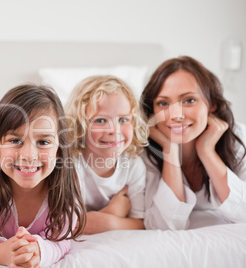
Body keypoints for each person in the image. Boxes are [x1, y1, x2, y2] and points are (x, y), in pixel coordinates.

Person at [0, 84, 86, 267]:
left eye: (43, 142)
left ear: (59, 150)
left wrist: (39, 252)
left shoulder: (69, 181)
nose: (28, 155)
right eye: (15, 140)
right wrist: (4, 254)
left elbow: (62, 240)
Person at [140, 56, 246, 230]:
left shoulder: (238, 139)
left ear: (212, 104)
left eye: (189, 100)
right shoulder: (144, 151)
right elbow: (163, 226)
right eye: (163, 103)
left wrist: (207, 151)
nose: (176, 115)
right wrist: (170, 151)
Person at [64, 75, 148, 234]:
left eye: (123, 120)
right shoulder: (71, 165)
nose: (114, 130)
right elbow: (66, 226)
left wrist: (109, 223)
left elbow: (140, 224)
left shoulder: (133, 165)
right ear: (80, 126)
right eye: (101, 120)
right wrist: (113, 213)